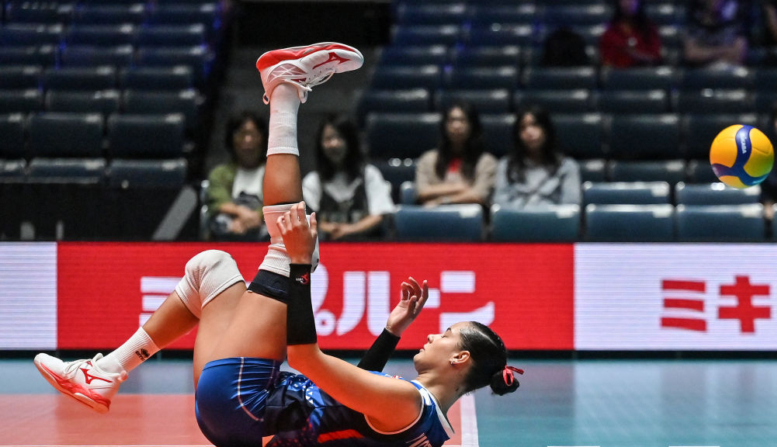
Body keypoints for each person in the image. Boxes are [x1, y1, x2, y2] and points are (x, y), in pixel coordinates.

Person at [34, 42, 521, 447]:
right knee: (211, 267)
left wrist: (300, 271)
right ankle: (108, 371)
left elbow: (308, 359)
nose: (433, 335)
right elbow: (347, 399)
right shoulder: (428, 419)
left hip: (247, 405)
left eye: (446, 335)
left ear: (460, 361)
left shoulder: (410, 402)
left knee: (294, 245)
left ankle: (284, 87)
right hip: (241, 413)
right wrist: (390, 332)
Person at [302, 114, 396, 241]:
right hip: (324, 250)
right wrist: (331, 229)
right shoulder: (312, 181)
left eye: (339, 137)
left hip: (365, 247)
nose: (334, 144)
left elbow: (380, 214)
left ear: (351, 142)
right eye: (328, 139)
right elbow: (306, 219)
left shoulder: (369, 174)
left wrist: (349, 230)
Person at [493, 107, 581, 209]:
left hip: (552, 222)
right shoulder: (506, 165)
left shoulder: (567, 166)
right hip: (516, 222)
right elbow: (500, 203)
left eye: (535, 125)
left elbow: (571, 208)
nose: (529, 132)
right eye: (522, 128)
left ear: (546, 129)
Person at [415, 102, 497, 207]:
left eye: (462, 121)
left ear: (473, 126)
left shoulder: (486, 161)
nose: (456, 125)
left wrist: (442, 201)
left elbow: (479, 195)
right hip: (432, 217)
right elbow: (422, 192)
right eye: (451, 120)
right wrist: (460, 187)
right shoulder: (428, 159)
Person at [205, 111, 268, 241]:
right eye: (241, 134)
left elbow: (279, 203)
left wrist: (256, 216)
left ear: (263, 138)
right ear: (232, 139)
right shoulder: (220, 173)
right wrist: (241, 213)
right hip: (232, 224)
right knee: (219, 222)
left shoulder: (275, 172)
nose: (247, 140)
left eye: (253, 134)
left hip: (262, 223)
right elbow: (218, 203)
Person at [683, 0, 748, 68]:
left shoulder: (735, 24)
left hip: (728, 72)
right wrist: (724, 51)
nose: (716, 2)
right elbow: (691, 54)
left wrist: (704, 53)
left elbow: (739, 55)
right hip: (700, 72)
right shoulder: (694, 25)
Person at [599, 0, 662, 68]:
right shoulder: (610, 33)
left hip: (646, 75)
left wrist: (633, 54)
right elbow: (606, 62)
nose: (629, 3)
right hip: (619, 76)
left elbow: (656, 58)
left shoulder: (649, 30)